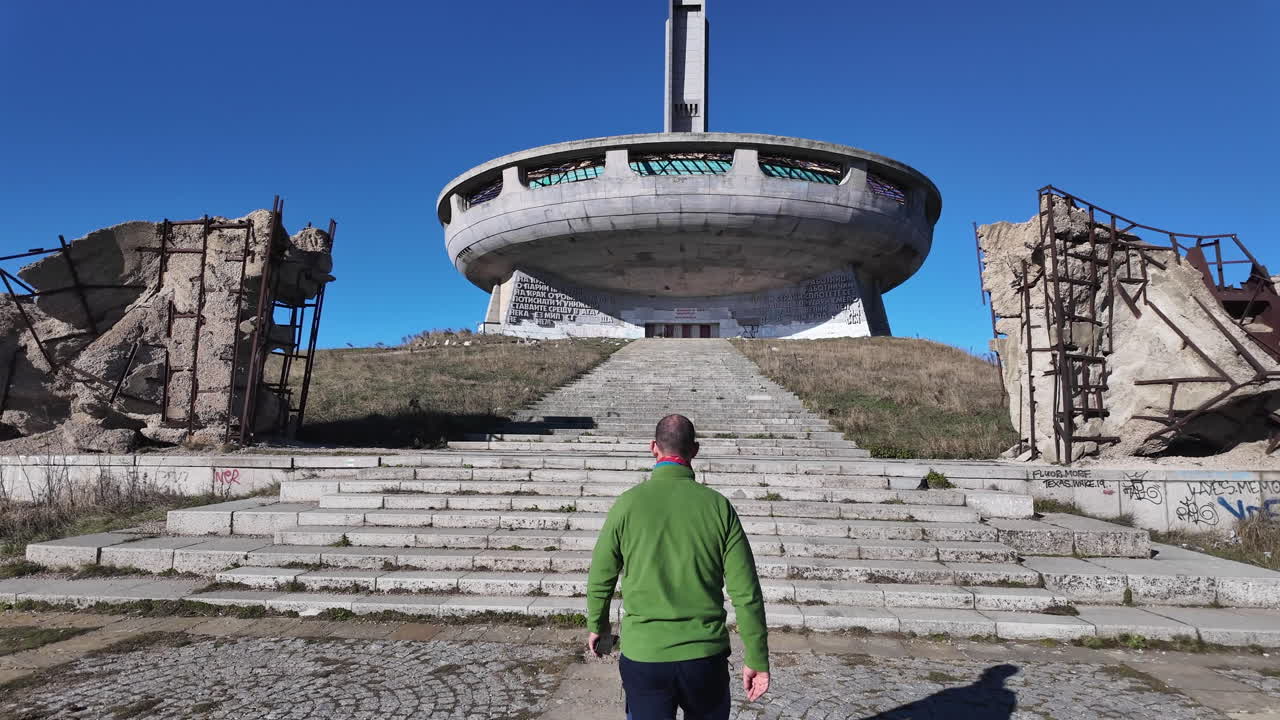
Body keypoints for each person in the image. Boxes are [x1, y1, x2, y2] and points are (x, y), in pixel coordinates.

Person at [586, 414, 771, 719]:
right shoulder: (719, 507)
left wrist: (598, 625)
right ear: (694, 451)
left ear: (653, 448)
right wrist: (757, 656)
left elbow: (601, 577)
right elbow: (746, 592)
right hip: (705, 657)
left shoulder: (626, 505)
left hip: (645, 656)